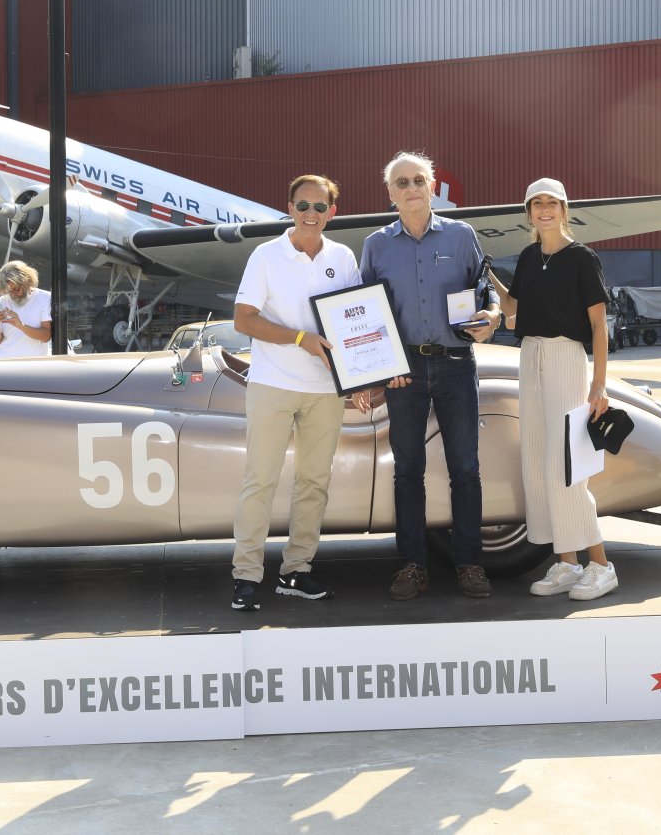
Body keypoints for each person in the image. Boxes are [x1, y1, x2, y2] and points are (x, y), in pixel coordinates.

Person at [356, 152, 502, 601]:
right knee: (407, 471)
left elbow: (486, 290)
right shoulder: (376, 246)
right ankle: (413, 566)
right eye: (402, 182)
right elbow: (365, 316)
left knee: (466, 469)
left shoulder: (461, 235)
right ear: (390, 193)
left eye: (419, 180)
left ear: (432, 186)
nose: (412, 188)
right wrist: (379, 371)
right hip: (405, 374)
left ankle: (469, 564)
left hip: (456, 364)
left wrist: (493, 315)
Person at [229, 175, 361, 611]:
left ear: (332, 213)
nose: (310, 213)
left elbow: (356, 321)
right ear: (289, 208)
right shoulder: (266, 255)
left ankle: (296, 571)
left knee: (314, 483)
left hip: (325, 389)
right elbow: (244, 320)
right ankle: (246, 575)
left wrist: (362, 376)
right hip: (273, 383)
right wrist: (300, 339)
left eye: (320, 207)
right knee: (260, 481)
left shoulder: (343, 257)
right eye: (303, 205)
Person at [488, 178, 620, 601]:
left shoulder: (582, 258)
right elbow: (514, 309)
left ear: (564, 210)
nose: (544, 209)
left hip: (566, 356)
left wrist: (599, 384)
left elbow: (598, 325)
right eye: (537, 203)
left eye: (552, 203)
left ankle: (601, 566)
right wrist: (488, 275)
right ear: (528, 212)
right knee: (537, 462)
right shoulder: (529, 257)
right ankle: (567, 562)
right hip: (530, 354)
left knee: (567, 466)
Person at [0, 261, 53, 358]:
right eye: (9, 291)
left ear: (26, 281)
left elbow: (46, 336)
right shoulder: (0, 301)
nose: (13, 294)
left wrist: (21, 325)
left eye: (16, 289)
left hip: (31, 364)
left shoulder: (45, 298)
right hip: (1, 361)